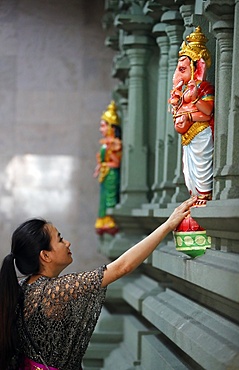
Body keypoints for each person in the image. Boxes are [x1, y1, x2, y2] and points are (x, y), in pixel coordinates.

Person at [0, 197, 196, 370]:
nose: (67, 243)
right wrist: (168, 225)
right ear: (45, 255)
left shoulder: (24, 286)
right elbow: (122, 267)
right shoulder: (51, 291)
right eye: (59, 240)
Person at [169, 26, 214, 206]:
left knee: (202, 165)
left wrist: (194, 101)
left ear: (196, 67)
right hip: (187, 137)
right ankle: (195, 195)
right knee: (189, 170)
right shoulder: (183, 90)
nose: (178, 73)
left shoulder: (203, 88)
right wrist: (176, 104)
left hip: (201, 133)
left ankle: (204, 195)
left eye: (182, 68)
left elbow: (208, 112)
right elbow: (177, 111)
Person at [93, 101, 122, 235]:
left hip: (111, 174)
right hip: (105, 174)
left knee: (110, 197)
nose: (101, 129)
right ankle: (103, 221)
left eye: (103, 126)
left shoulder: (114, 144)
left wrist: (104, 165)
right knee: (104, 198)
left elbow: (116, 163)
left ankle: (110, 220)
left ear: (111, 127)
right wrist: (100, 167)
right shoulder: (105, 144)